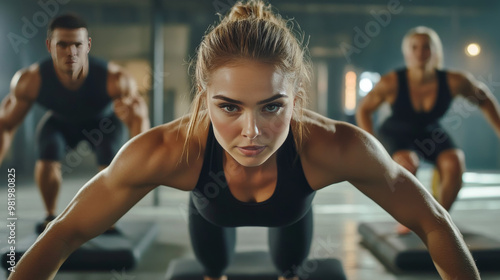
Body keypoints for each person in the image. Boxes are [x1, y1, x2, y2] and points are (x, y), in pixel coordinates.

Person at [8, 3, 480, 280]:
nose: (251, 132)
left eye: (272, 106)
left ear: (296, 99)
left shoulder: (334, 146)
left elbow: (433, 222)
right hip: (209, 211)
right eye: (229, 107)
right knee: (213, 268)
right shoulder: (169, 151)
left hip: (292, 210)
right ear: (204, 98)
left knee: (290, 268)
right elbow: (65, 232)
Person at [0, 14, 150, 233]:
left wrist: (139, 169)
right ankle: (50, 216)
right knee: (47, 153)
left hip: (102, 124)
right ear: (49, 45)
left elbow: (139, 118)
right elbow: (5, 125)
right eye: (62, 45)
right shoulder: (30, 81)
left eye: (77, 44)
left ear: (87, 45)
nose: (71, 52)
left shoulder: (115, 79)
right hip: (60, 122)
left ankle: (108, 217)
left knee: (110, 157)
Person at [356, 26, 500, 234]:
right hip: (396, 132)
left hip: (430, 132)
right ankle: (409, 218)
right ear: (406, 53)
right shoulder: (391, 82)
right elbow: (364, 109)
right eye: (414, 47)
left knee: (455, 161)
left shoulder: (454, 81)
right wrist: (373, 145)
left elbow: (483, 98)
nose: (420, 52)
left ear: (435, 51)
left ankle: (439, 219)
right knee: (408, 163)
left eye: (426, 47)